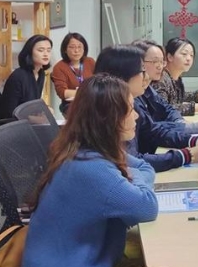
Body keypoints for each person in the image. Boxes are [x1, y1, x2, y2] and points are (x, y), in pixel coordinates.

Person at [22, 74, 158, 267]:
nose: (136, 115)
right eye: (129, 110)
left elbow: (145, 167)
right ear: (109, 119)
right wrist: (129, 176)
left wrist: (128, 176)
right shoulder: (92, 169)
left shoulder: (86, 147)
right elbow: (147, 207)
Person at [94, 45, 198, 172]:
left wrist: (194, 140)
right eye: (142, 71)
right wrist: (186, 155)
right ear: (122, 75)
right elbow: (133, 162)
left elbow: (152, 130)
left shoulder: (132, 98)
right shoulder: (111, 110)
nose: (146, 77)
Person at [152, 37, 198, 116]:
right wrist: (195, 107)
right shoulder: (160, 79)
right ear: (170, 57)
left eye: (191, 55)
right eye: (184, 54)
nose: (189, 58)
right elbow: (163, 109)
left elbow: (177, 96)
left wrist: (197, 96)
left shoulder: (175, 77)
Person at [0, 34, 53, 119]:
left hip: (27, 118)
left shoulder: (41, 73)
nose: (46, 54)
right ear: (29, 52)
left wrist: (45, 110)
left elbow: (33, 103)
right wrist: (35, 119)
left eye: (48, 50)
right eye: (41, 50)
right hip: (12, 122)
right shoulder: (18, 76)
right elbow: (10, 112)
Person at [132, 39, 183, 124]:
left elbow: (167, 109)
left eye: (162, 61)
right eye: (155, 61)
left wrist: (180, 121)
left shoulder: (148, 89)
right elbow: (150, 128)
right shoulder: (134, 93)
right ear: (138, 62)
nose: (160, 66)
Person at [51, 32, 95, 116]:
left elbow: (99, 81)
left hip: (92, 101)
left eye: (79, 47)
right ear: (65, 49)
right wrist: (87, 92)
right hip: (71, 104)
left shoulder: (90, 62)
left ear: (84, 48)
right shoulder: (59, 67)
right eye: (72, 47)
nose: (76, 51)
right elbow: (63, 92)